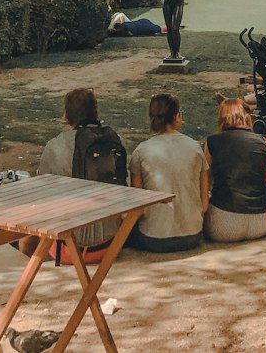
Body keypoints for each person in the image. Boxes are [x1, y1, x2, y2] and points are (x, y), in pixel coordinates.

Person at [37, 87, 127, 255]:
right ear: (96, 113)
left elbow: (42, 193)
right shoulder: (116, 141)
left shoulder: (54, 146)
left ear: (66, 117)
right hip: (111, 244)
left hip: (68, 249)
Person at [129, 94, 208, 251]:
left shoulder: (142, 151)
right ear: (177, 116)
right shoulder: (195, 147)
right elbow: (204, 202)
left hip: (154, 237)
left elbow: (138, 204)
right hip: (192, 235)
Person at [203, 99, 266, 243]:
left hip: (224, 222)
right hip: (261, 222)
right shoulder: (263, 142)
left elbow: (205, 180)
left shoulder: (212, 142)